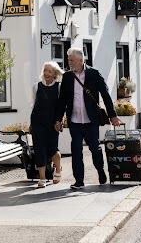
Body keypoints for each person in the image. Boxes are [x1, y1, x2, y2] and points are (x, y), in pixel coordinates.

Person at [55, 47, 121, 189]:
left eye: (72, 60)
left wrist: (113, 115)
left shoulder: (94, 74)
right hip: (74, 121)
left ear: (81, 60)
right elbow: (62, 100)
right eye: (68, 60)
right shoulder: (67, 77)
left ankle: (100, 171)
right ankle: (79, 180)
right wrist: (58, 119)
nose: (69, 63)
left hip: (91, 120)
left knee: (95, 148)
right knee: (76, 150)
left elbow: (105, 95)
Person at [30, 61, 64, 188]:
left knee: (53, 149)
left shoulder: (59, 87)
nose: (46, 74)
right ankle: (42, 178)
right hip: (37, 121)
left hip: (52, 122)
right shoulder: (36, 86)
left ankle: (58, 168)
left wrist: (59, 120)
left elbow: (61, 106)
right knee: (39, 149)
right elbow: (33, 105)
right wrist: (31, 124)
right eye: (45, 71)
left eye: (49, 71)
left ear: (54, 74)